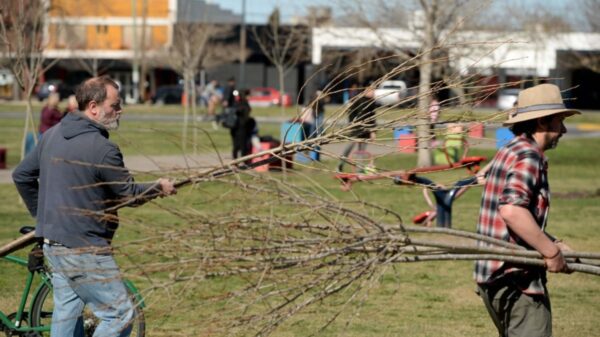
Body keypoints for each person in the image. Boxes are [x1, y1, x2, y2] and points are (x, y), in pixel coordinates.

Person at [12, 76, 177, 337]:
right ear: (93, 107)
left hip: (54, 244)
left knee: (67, 315)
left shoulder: (50, 135)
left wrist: (44, 218)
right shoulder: (102, 148)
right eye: (115, 105)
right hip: (84, 250)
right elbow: (129, 195)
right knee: (120, 315)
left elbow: (21, 175)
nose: (120, 110)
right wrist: (159, 187)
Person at [474, 84, 580, 337]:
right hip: (515, 279)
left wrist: (555, 242)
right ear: (543, 121)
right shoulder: (529, 156)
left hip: (492, 276)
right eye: (560, 121)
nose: (563, 130)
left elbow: (512, 217)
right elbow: (511, 211)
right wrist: (551, 252)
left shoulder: (510, 150)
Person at [337, 86, 379, 172]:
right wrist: (352, 124)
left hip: (366, 129)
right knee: (350, 146)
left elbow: (372, 118)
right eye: (372, 91)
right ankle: (340, 164)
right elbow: (352, 113)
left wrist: (373, 131)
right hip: (356, 128)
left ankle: (359, 170)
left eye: (374, 91)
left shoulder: (372, 102)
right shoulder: (359, 100)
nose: (373, 92)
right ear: (366, 91)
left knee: (362, 150)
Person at [230, 89, 253, 159]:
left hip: (234, 127)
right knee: (242, 146)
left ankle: (235, 161)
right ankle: (243, 161)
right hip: (241, 128)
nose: (250, 97)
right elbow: (245, 117)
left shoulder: (236, 103)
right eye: (249, 95)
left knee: (236, 145)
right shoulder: (244, 104)